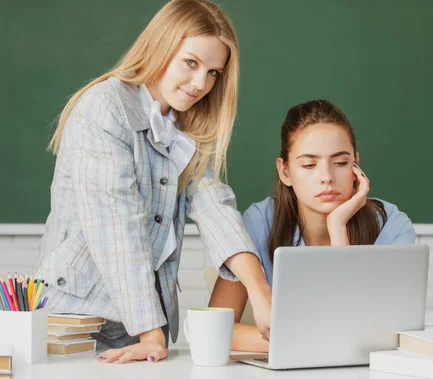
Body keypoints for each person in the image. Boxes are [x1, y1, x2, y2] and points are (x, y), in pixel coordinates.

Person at [35, 0, 272, 364]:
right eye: (191, 63)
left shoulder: (184, 128)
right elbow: (117, 229)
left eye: (213, 72)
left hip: (142, 326)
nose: (200, 84)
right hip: (75, 320)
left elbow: (215, 208)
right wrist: (151, 333)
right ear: (161, 46)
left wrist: (260, 292)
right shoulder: (105, 107)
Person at [208, 99, 416, 352]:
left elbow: (383, 332)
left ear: (356, 165)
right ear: (285, 172)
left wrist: (338, 227)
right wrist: (313, 341)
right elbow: (215, 328)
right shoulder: (259, 222)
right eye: (309, 165)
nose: (327, 177)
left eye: (340, 163)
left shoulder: (391, 225)